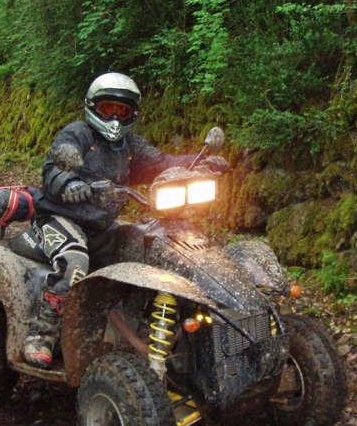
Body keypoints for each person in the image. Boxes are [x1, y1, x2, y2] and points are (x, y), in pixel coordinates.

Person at [23, 72, 228, 368]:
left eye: (123, 111)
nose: (115, 117)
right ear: (93, 107)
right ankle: (43, 333)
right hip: (58, 218)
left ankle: (140, 324)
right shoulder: (78, 135)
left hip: (101, 227)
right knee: (75, 261)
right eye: (108, 109)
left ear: (133, 114)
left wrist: (200, 164)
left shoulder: (129, 146)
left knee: (147, 250)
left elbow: (162, 163)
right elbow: (52, 170)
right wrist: (69, 184)